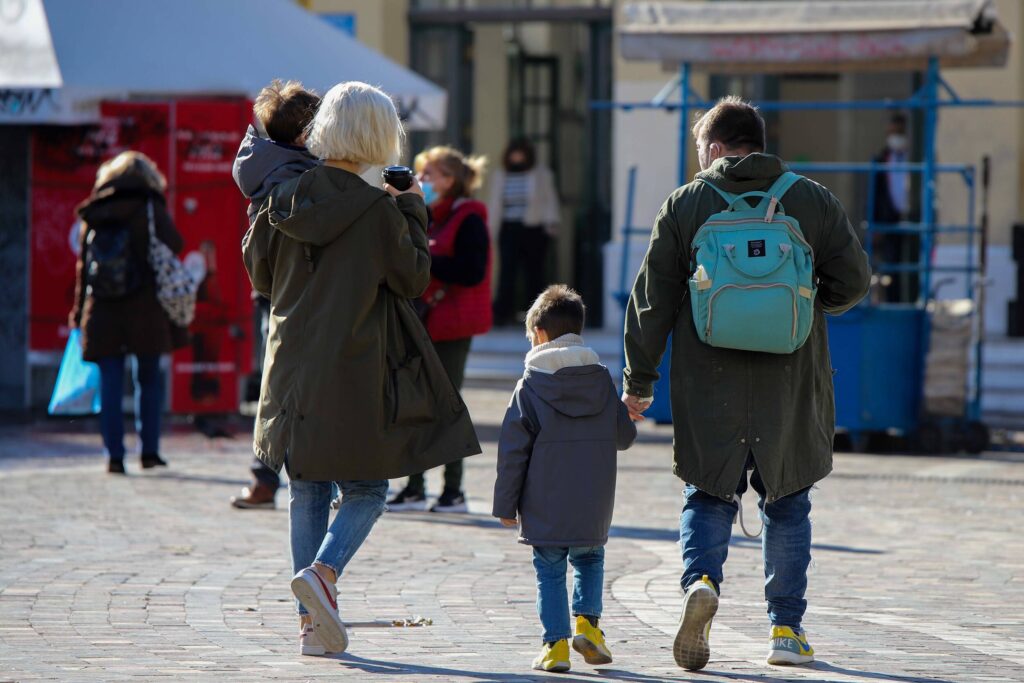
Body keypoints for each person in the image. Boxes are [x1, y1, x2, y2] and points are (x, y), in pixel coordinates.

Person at [621, 96, 871, 670]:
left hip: (709, 380)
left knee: (707, 493)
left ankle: (700, 583)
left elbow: (651, 301)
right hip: (791, 378)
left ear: (712, 149)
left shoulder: (686, 204)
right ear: (758, 143)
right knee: (788, 502)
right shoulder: (810, 199)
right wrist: (808, 309)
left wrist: (639, 381)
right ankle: (786, 630)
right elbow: (854, 280)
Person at [242, 81, 480, 657]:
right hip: (354, 363)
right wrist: (413, 203)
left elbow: (262, 280)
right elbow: (413, 279)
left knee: (307, 487)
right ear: (379, 136)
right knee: (369, 487)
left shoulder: (283, 195)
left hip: (291, 362)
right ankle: (323, 574)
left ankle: (311, 627)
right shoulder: (378, 206)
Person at [493, 284, 636, 673]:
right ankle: (588, 624)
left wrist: (505, 506)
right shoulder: (602, 381)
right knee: (590, 560)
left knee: (550, 571)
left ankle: (555, 646)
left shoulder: (530, 386)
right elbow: (624, 438)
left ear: (539, 333)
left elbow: (512, 453)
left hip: (545, 503)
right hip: (593, 501)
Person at [386, 146, 492, 513]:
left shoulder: (469, 216)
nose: (422, 181)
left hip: (452, 324)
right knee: (416, 405)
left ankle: (453, 491)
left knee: (446, 405)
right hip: (424, 320)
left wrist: (426, 259)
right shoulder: (429, 213)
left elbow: (471, 270)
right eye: (421, 174)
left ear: (451, 180)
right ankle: (415, 487)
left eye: (429, 175)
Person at [230, 79, 321, 510]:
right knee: (288, 387)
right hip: (299, 294)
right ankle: (275, 477)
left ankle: (266, 478)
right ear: (305, 134)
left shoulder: (264, 162)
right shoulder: (298, 176)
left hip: (273, 292)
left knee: (278, 385)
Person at [69, 151, 186, 475]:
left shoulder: (94, 210)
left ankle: (114, 456)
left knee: (109, 382)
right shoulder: (150, 207)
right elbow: (174, 243)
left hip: (102, 310)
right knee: (147, 380)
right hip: (144, 309)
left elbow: (83, 268)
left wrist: (78, 314)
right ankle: (149, 451)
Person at [489, 138, 561, 326]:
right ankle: (503, 313)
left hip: (533, 228)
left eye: (520, 153)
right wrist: (491, 228)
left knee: (534, 272)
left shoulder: (540, 174)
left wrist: (551, 222)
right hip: (509, 227)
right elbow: (495, 203)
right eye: (514, 153)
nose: (517, 157)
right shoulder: (501, 174)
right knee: (507, 272)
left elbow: (549, 198)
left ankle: (539, 313)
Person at [871, 112, 918, 302]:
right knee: (892, 265)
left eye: (899, 131)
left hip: (914, 218)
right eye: (892, 132)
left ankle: (914, 298)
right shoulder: (881, 158)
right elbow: (875, 193)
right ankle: (894, 302)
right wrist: (875, 222)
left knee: (914, 262)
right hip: (891, 219)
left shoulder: (915, 157)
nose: (895, 136)